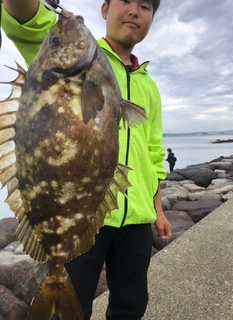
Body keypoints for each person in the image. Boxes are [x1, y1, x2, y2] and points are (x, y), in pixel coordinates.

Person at [1, 0, 172, 319]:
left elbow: (153, 152)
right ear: (105, 9)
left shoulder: (149, 85)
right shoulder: (54, 62)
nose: (135, 10)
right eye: (126, 1)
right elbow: (23, 16)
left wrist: (158, 211)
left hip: (137, 219)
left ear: (151, 18)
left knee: (131, 305)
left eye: (145, 6)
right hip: (74, 218)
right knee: (67, 312)